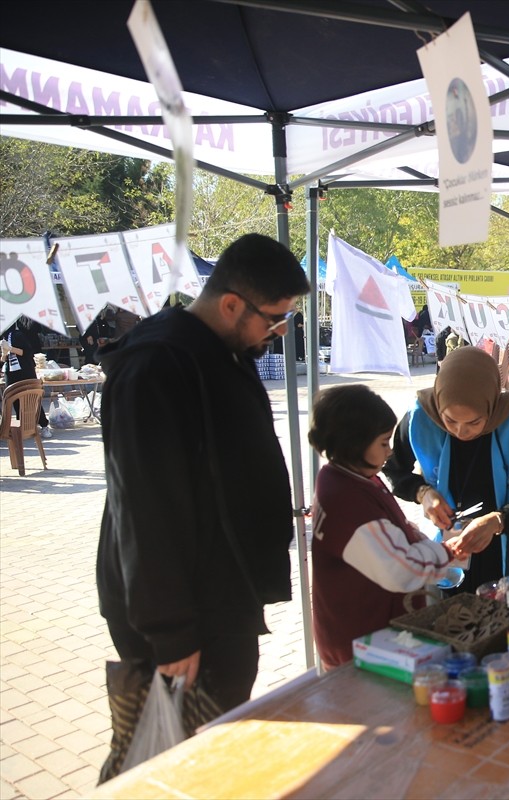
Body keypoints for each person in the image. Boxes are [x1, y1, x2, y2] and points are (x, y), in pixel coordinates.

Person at [95, 234, 310, 777]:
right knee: (175, 757)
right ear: (232, 304)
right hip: (184, 612)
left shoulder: (223, 350)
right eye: (273, 319)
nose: (278, 332)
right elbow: (144, 507)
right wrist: (171, 631)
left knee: (215, 746)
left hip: (222, 595)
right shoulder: (157, 364)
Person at [309, 384, 466, 669]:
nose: (390, 451)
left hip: (364, 636)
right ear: (353, 443)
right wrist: (446, 552)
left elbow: (394, 530)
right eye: (383, 443)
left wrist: (425, 544)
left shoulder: (348, 478)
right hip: (361, 644)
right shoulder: (345, 499)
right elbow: (400, 570)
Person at [383, 346, 509, 594]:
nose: (461, 432)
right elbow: (394, 471)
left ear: (491, 405)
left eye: (474, 422)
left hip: (502, 555)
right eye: (449, 420)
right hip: (446, 551)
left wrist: (498, 521)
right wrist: (422, 493)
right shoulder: (421, 418)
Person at [2, 317, 50, 433]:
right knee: (12, 397)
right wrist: (4, 353)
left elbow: (26, 352)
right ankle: (24, 424)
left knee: (32, 397)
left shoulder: (17, 335)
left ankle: (44, 425)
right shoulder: (3, 338)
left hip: (25, 370)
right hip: (11, 371)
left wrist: (11, 348)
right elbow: (3, 359)